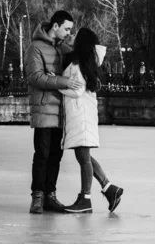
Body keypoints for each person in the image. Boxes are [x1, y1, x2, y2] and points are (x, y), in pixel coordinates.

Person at [58, 27, 123, 213]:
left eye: (74, 36)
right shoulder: (84, 62)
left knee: (83, 157)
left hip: (81, 117)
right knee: (82, 155)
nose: (71, 36)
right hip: (82, 115)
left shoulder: (78, 65)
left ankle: (85, 198)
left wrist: (57, 85)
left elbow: (76, 90)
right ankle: (110, 189)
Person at [24, 10, 82, 214]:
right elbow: (36, 77)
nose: (68, 32)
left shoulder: (62, 48)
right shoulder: (35, 48)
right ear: (55, 26)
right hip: (43, 110)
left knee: (55, 156)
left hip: (60, 111)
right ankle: (37, 196)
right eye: (66, 28)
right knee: (42, 154)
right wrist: (64, 81)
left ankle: (50, 195)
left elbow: (81, 60)